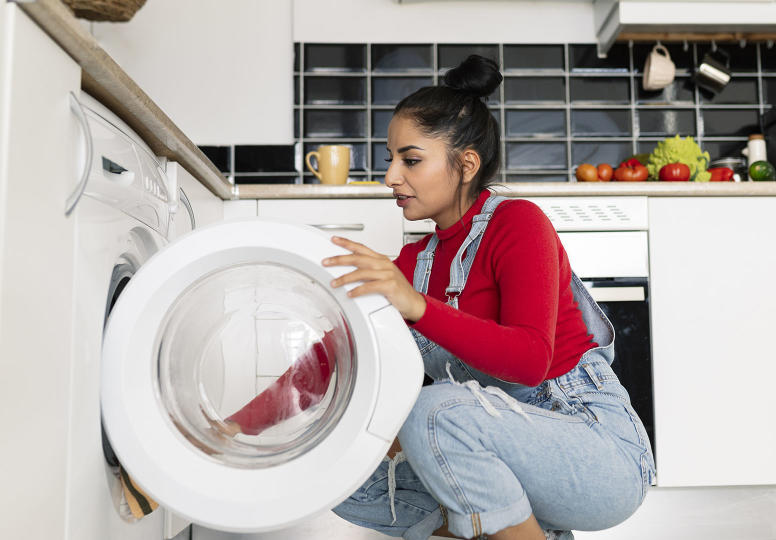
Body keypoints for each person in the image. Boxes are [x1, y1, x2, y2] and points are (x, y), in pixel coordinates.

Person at [227, 55, 654, 540]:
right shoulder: (414, 265)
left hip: (598, 453)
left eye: (410, 160)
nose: (390, 176)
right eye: (391, 159)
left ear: (466, 164)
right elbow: (331, 360)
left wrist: (416, 307)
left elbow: (531, 360)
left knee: (433, 414)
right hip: (504, 455)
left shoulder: (518, 223)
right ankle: (523, 529)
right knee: (336, 469)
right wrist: (234, 431)